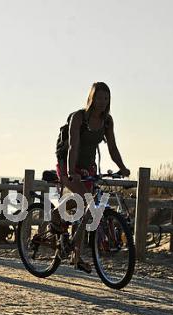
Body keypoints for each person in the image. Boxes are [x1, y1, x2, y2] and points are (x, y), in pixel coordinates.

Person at [52, 82, 130, 273]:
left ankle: (75, 256)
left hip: (88, 167)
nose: (102, 102)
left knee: (86, 207)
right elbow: (73, 146)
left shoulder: (107, 121)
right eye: (99, 98)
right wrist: (71, 171)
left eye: (106, 98)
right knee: (86, 205)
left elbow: (112, 147)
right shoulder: (79, 117)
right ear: (91, 98)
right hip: (68, 163)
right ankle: (55, 216)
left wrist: (122, 167)